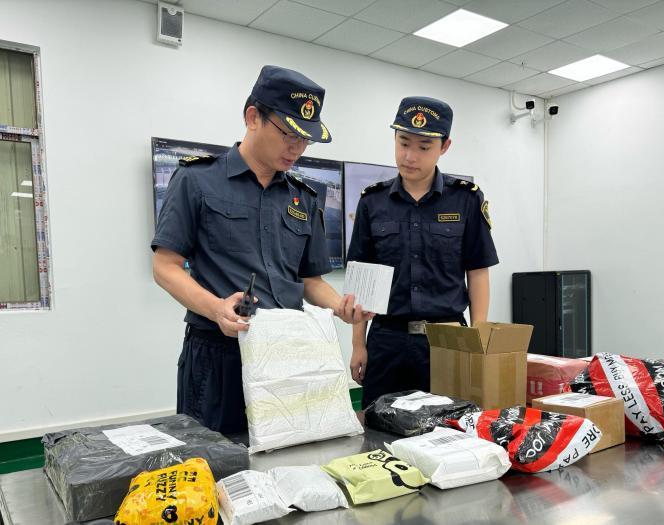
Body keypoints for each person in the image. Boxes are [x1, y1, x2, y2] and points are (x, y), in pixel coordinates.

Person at [151, 65, 372, 434]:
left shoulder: (304, 198)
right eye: (288, 134)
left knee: (285, 463)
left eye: (305, 140)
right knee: (216, 465)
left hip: (285, 353)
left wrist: (339, 306)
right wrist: (216, 308)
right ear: (253, 117)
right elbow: (165, 266)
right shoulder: (197, 180)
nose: (297, 149)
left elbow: (309, 280)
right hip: (220, 354)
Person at [346, 96, 498, 409]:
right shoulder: (372, 202)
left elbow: (478, 270)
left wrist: (477, 342)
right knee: (380, 428)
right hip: (387, 339)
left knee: (449, 429)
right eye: (403, 143)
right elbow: (362, 278)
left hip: (446, 339)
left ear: (444, 146)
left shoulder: (465, 200)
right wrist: (357, 344)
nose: (410, 156)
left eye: (424, 147)